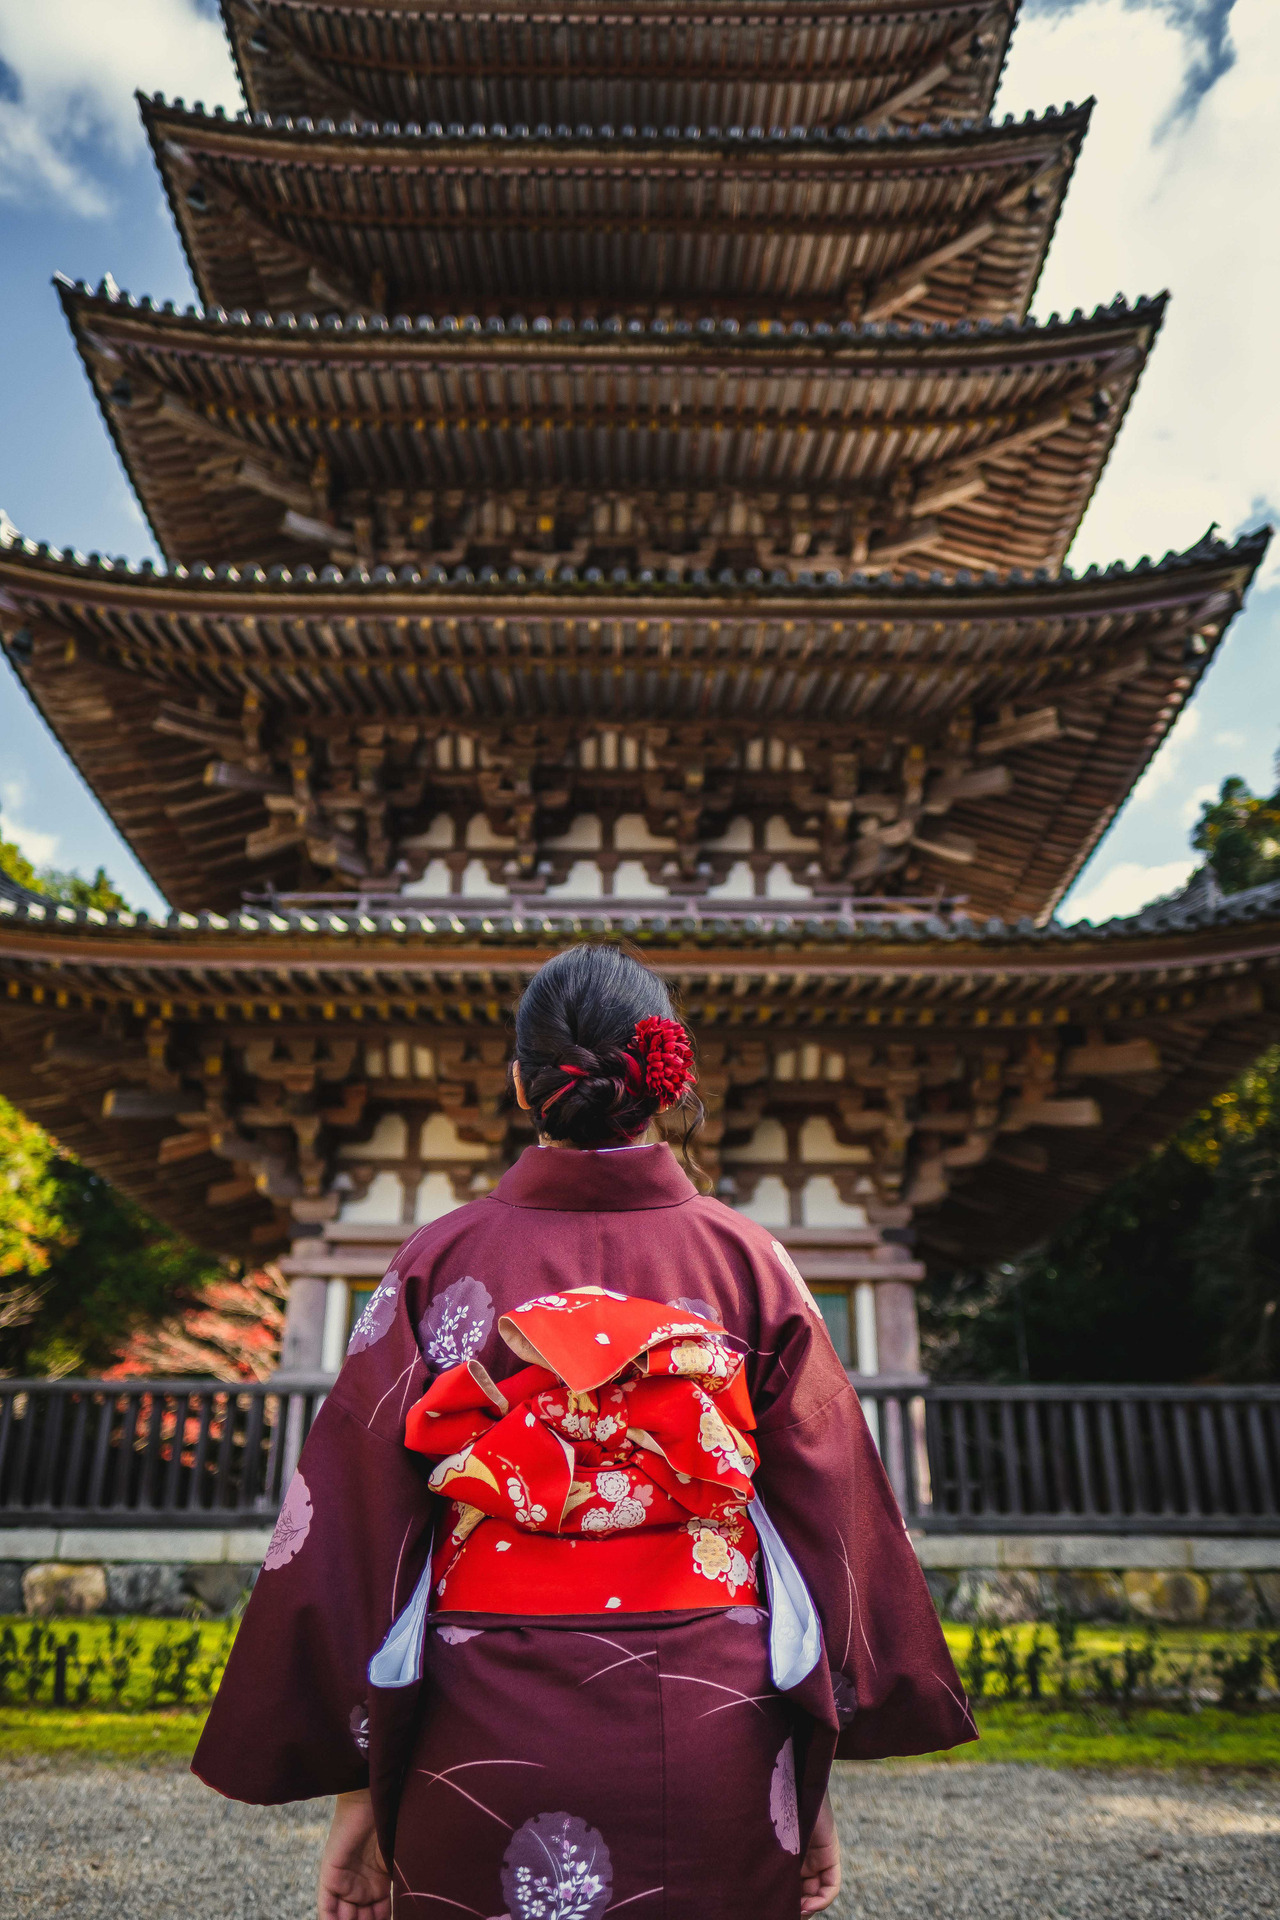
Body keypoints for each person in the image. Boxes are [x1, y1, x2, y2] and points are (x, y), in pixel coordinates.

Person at [195, 943, 975, 1920]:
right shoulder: (752, 1263)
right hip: (719, 1722)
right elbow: (831, 1512)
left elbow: (353, 1528)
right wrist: (812, 1773)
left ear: (522, 1083)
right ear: (660, 1081)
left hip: (474, 1723)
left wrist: (362, 1789)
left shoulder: (435, 1262)